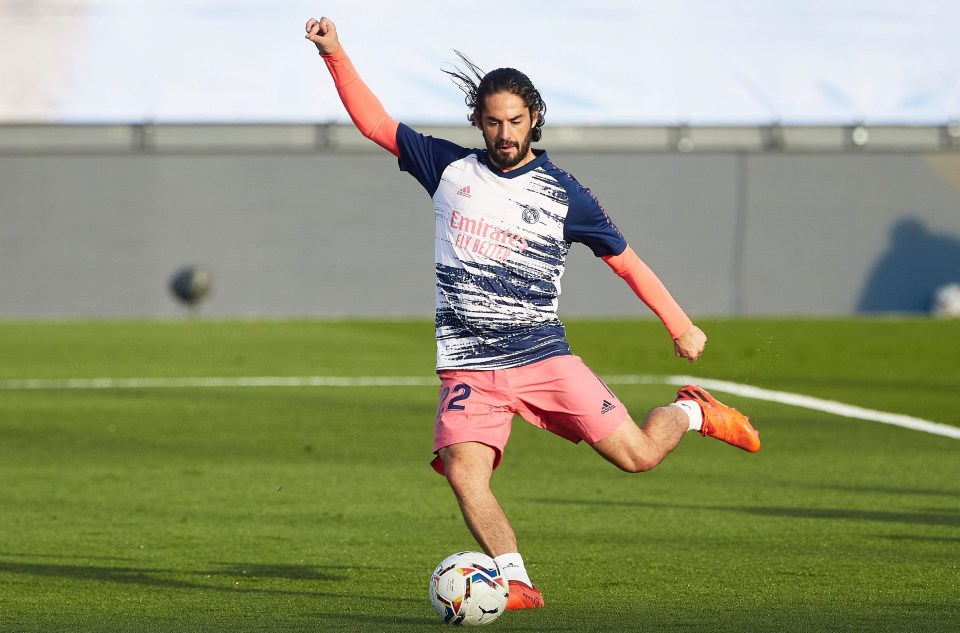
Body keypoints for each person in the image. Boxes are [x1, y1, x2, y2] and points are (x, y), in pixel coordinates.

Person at [304, 16, 761, 611]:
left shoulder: (563, 192)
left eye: (515, 121)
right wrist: (334, 52)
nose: (504, 132)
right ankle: (515, 580)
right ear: (479, 121)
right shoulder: (448, 168)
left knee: (639, 457)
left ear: (534, 119)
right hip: (468, 366)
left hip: (543, 356)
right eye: (492, 121)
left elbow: (625, 261)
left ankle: (690, 412)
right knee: (465, 473)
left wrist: (680, 324)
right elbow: (374, 123)